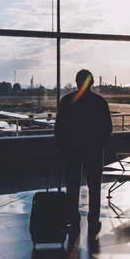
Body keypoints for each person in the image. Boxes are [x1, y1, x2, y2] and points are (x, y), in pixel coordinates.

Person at [54, 69, 113, 234]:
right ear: (92, 82)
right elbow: (107, 128)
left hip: (72, 149)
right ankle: (93, 221)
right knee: (94, 187)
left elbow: (59, 127)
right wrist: (101, 145)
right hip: (94, 149)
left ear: (76, 81)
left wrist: (61, 146)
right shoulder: (100, 102)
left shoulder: (66, 101)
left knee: (72, 186)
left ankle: (73, 220)